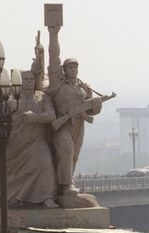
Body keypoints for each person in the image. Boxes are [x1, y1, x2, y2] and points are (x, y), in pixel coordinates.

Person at [47, 25, 103, 196]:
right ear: (64, 69)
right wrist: (53, 33)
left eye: (75, 67)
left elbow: (92, 110)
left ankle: (64, 183)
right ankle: (66, 185)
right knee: (66, 150)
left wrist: (96, 105)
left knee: (74, 156)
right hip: (62, 124)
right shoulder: (58, 84)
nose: (73, 70)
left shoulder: (84, 87)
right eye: (70, 67)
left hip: (79, 125)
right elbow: (53, 58)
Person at [0, 70, 59, 208]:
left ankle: (47, 197)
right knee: (0, 164)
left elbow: (51, 115)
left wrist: (36, 117)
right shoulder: (10, 100)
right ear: (19, 82)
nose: (28, 82)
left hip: (36, 140)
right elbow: (0, 121)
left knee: (45, 164)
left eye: (31, 79)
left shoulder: (42, 98)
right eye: (25, 79)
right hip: (15, 141)